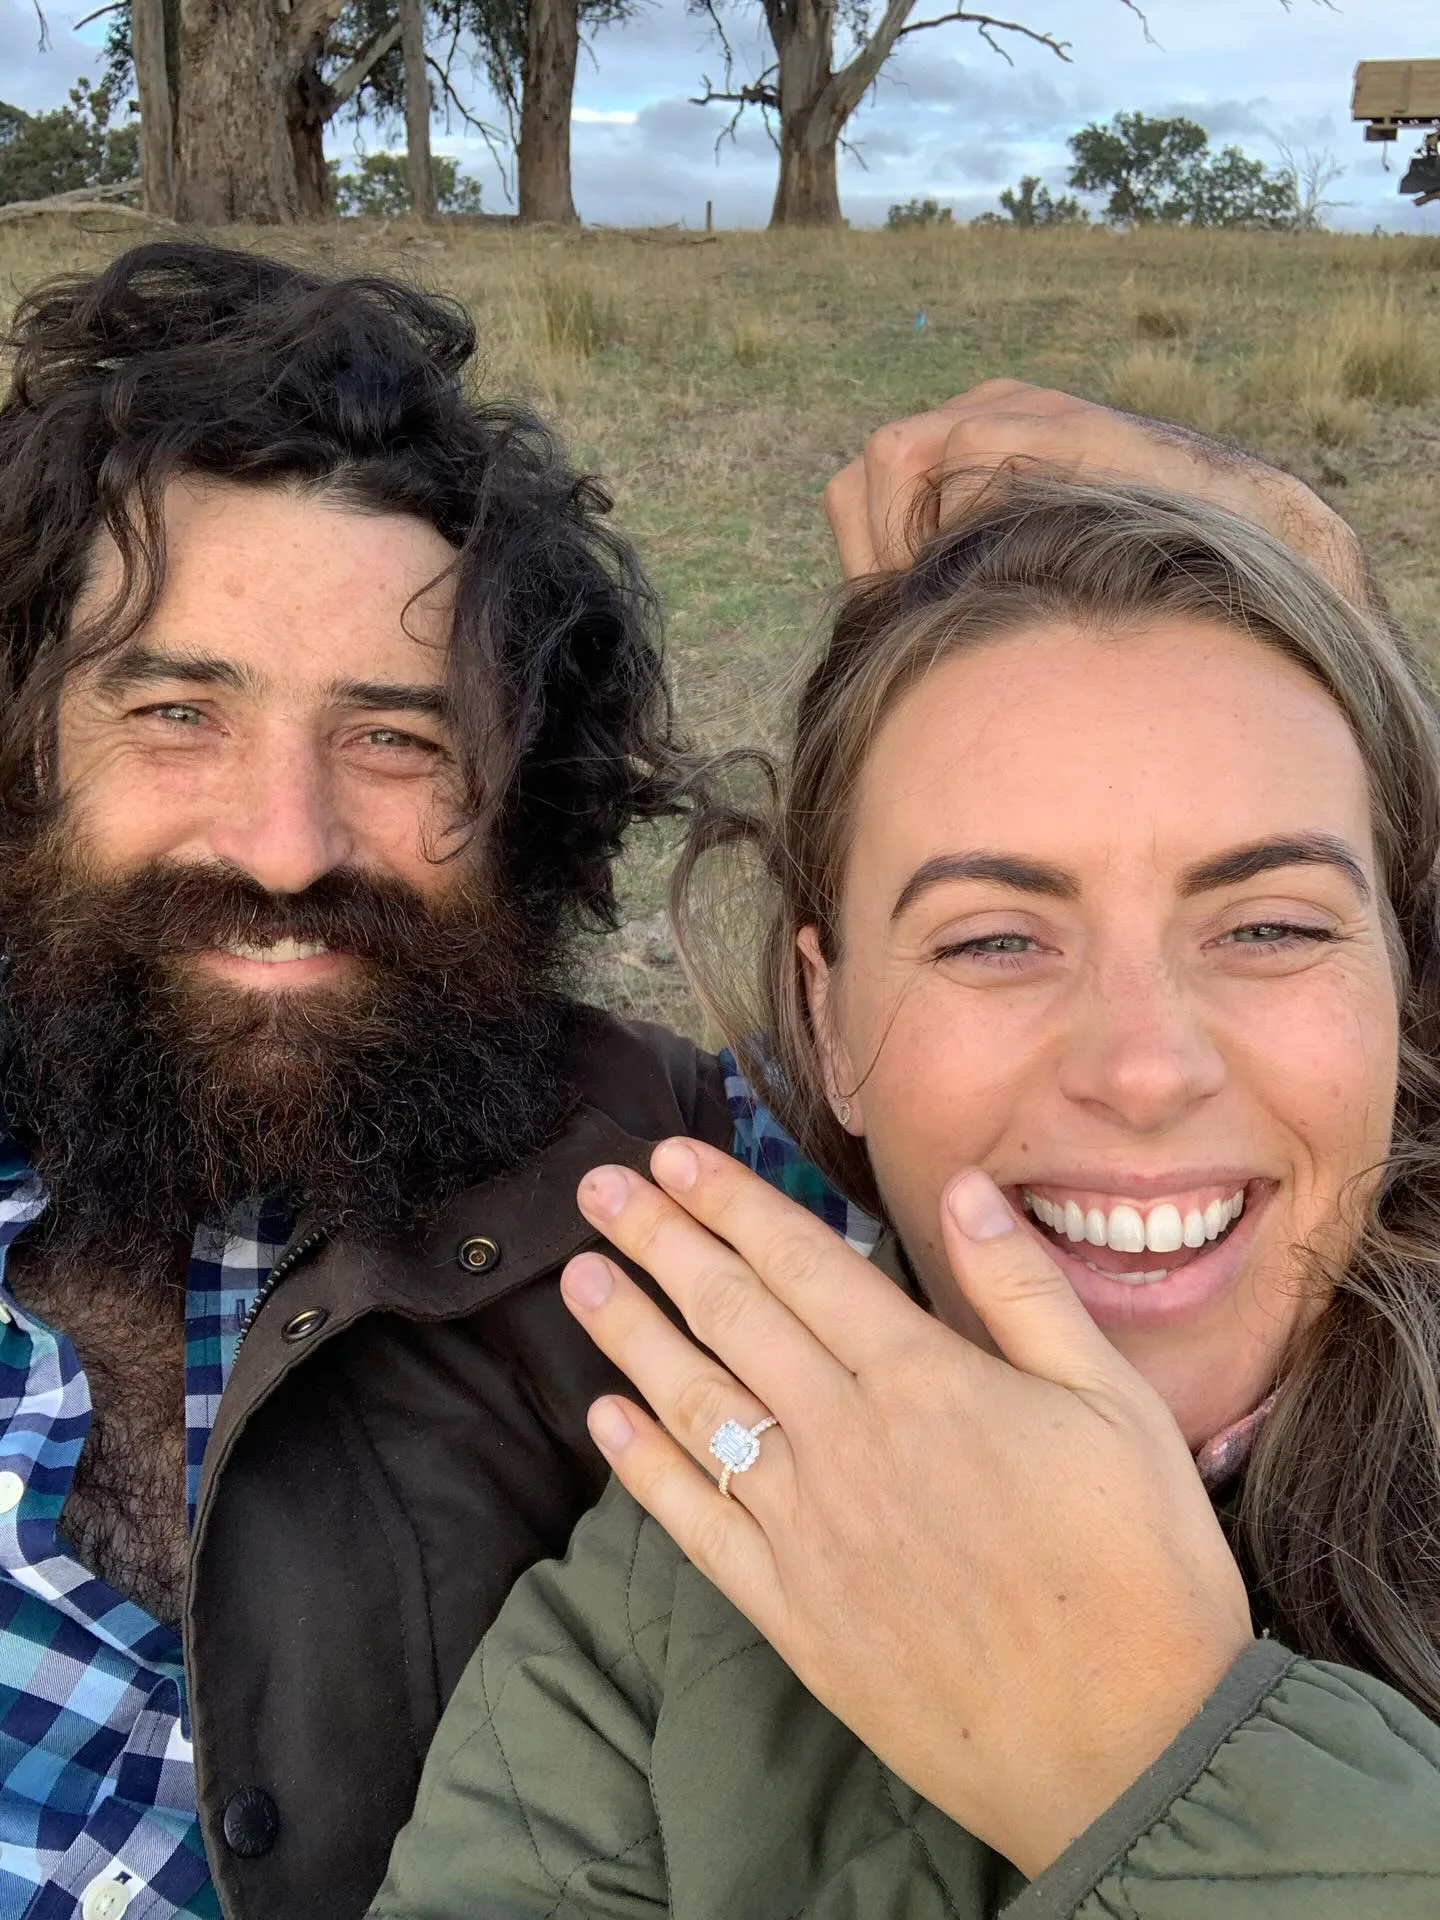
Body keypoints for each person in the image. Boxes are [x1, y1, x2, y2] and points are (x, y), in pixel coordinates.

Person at [0, 232, 1374, 1919]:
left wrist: (1299, 567)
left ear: (526, 806)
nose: (286, 845)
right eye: (177, 716)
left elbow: (1265, 1107)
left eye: (396, 739)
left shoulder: (692, 1199)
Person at [369, 470, 1440, 1916]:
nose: (1141, 1069)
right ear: (829, 1029)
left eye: (1267, 925)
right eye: (994, 941)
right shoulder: (659, 1613)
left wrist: (1150, 1763)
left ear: (1398, 985)